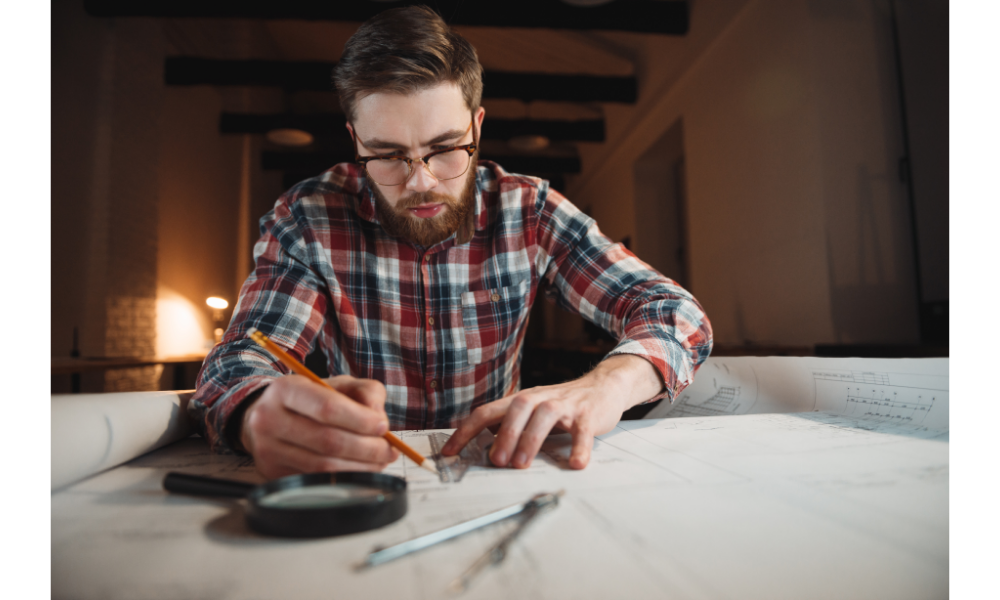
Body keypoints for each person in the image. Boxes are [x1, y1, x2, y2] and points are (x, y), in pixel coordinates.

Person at [190, 5, 713, 479]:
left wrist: (608, 386)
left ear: (476, 128)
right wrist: (255, 409)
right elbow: (242, 358)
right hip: (360, 472)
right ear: (355, 141)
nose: (421, 182)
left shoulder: (529, 211)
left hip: (501, 470)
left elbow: (676, 313)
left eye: (444, 149)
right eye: (388, 155)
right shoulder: (308, 219)